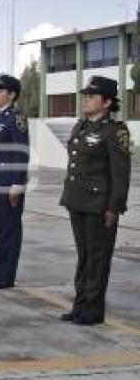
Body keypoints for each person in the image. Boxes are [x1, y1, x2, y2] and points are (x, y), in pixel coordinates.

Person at [60, 76, 131, 325]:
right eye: (85, 95)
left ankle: (93, 309)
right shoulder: (81, 127)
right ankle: (79, 305)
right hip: (77, 201)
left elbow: (121, 174)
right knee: (84, 256)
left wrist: (114, 207)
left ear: (107, 102)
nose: (86, 99)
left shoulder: (115, 131)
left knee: (98, 258)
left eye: (92, 96)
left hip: (99, 206)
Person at [0, 74, 29, 289]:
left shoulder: (17, 117)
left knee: (9, 230)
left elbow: (22, 152)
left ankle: (5, 277)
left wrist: (18, 184)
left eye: (0, 91)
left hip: (9, 183)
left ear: (11, 95)